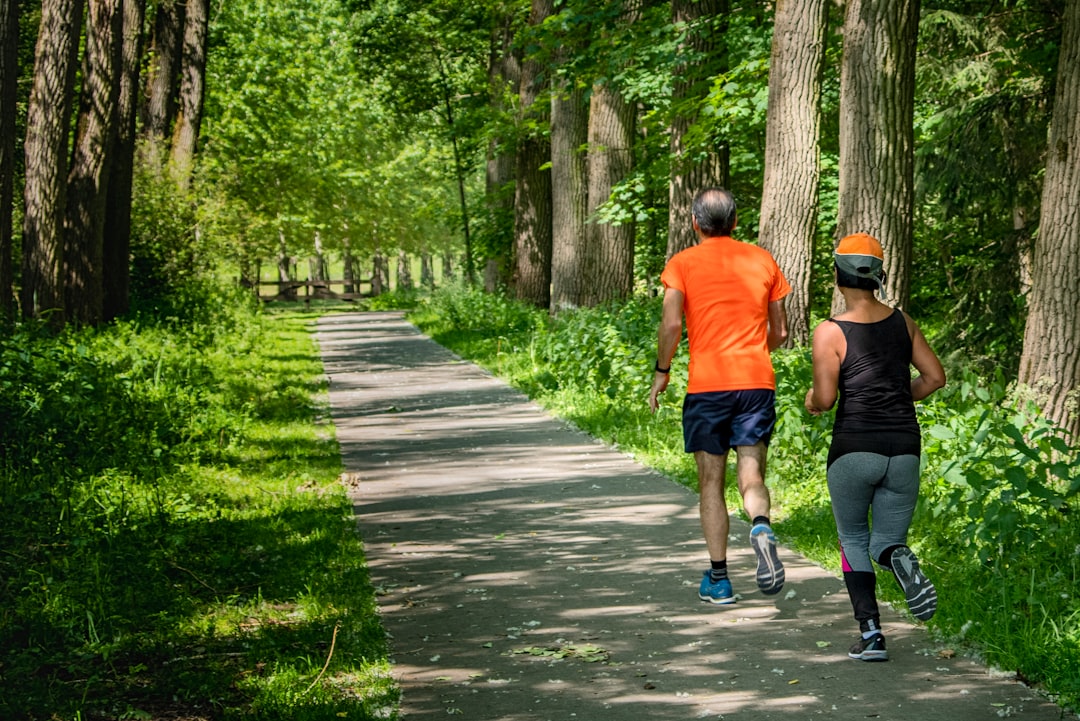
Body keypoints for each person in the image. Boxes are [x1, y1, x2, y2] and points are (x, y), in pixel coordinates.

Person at [804, 232, 946, 662]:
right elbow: (935, 378)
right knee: (885, 541)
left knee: (852, 539)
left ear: (837, 275)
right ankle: (898, 556)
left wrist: (810, 401)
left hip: (854, 448)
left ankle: (871, 635)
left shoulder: (829, 331)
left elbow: (825, 399)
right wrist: (899, 396)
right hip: (904, 448)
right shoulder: (903, 322)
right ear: (878, 275)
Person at [649, 187, 790, 605]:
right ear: (735, 222)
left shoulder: (681, 264)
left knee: (711, 482)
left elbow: (672, 325)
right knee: (752, 473)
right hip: (755, 383)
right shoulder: (762, 259)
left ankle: (720, 579)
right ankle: (761, 524)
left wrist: (662, 371)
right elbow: (779, 332)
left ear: (695, 223)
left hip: (708, 386)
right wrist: (755, 353)